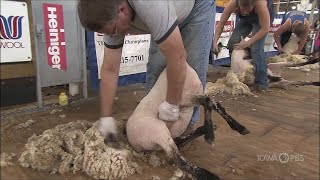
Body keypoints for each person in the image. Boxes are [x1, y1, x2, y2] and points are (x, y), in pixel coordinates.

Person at [77, 0, 216, 140]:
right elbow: (110, 69)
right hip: (166, 12)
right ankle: (152, 124)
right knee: (156, 65)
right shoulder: (110, 15)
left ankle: (187, 126)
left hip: (196, 6)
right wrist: (106, 117)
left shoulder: (150, 5)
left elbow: (178, 57)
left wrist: (171, 105)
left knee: (193, 67)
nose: (113, 35)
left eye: (113, 31)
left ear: (123, 10)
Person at [213, 0, 274, 91]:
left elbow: (265, 28)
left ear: (253, 5)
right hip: (246, 20)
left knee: (256, 48)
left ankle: (261, 82)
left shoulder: (260, 4)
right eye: (243, 10)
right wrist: (215, 42)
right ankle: (237, 74)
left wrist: (248, 42)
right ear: (238, 5)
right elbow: (221, 24)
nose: (245, 12)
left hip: (263, 19)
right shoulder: (232, 4)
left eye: (248, 11)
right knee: (233, 43)